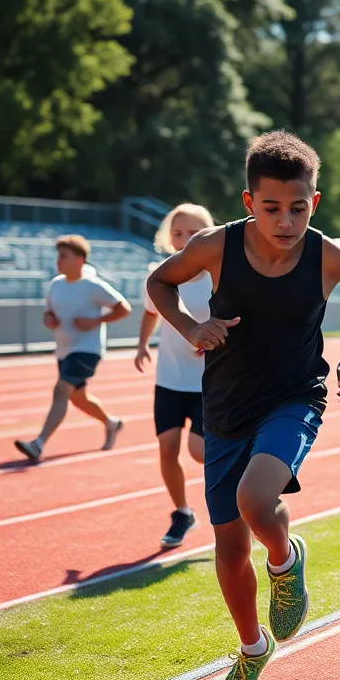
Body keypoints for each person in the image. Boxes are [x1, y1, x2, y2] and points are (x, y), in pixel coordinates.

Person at [147, 130, 340, 680]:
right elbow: (158, 282)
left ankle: (284, 560)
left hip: (295, 397)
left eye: (298, 208)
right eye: (272, 208)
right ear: (248, 202)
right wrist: (189, 328)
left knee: (257, 498)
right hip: (225, 405)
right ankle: (252, 649)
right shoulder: (214, 246)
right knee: (228, 548)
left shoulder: (329, 254)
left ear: (314, 203)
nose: (285, 221)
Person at [135, 204, 215, 547]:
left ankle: (245, 488)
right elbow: (151, 311)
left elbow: (239, 320)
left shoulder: (218, 276)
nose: (184, 239)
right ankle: (182, 512)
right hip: (169, 377)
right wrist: (141, 345)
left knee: (199, 451)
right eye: (178, 233)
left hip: (207, 382)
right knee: (167, 447)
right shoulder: (159, 273)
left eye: (194, 232)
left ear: (209, 234)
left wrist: (215, 344)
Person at [14, 236, 131, 463]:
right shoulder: (55, 284)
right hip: (64, 350)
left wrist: (95, 321)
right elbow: (48, 313)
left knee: (60, 391)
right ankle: (112, 423)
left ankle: (38, 444)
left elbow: (123, 308)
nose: (58, 261)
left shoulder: (92, 285)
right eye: (58, 255)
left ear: (80, 260)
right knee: (78, 398)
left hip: (88, 349)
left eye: (64, 256)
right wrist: (49, 319)